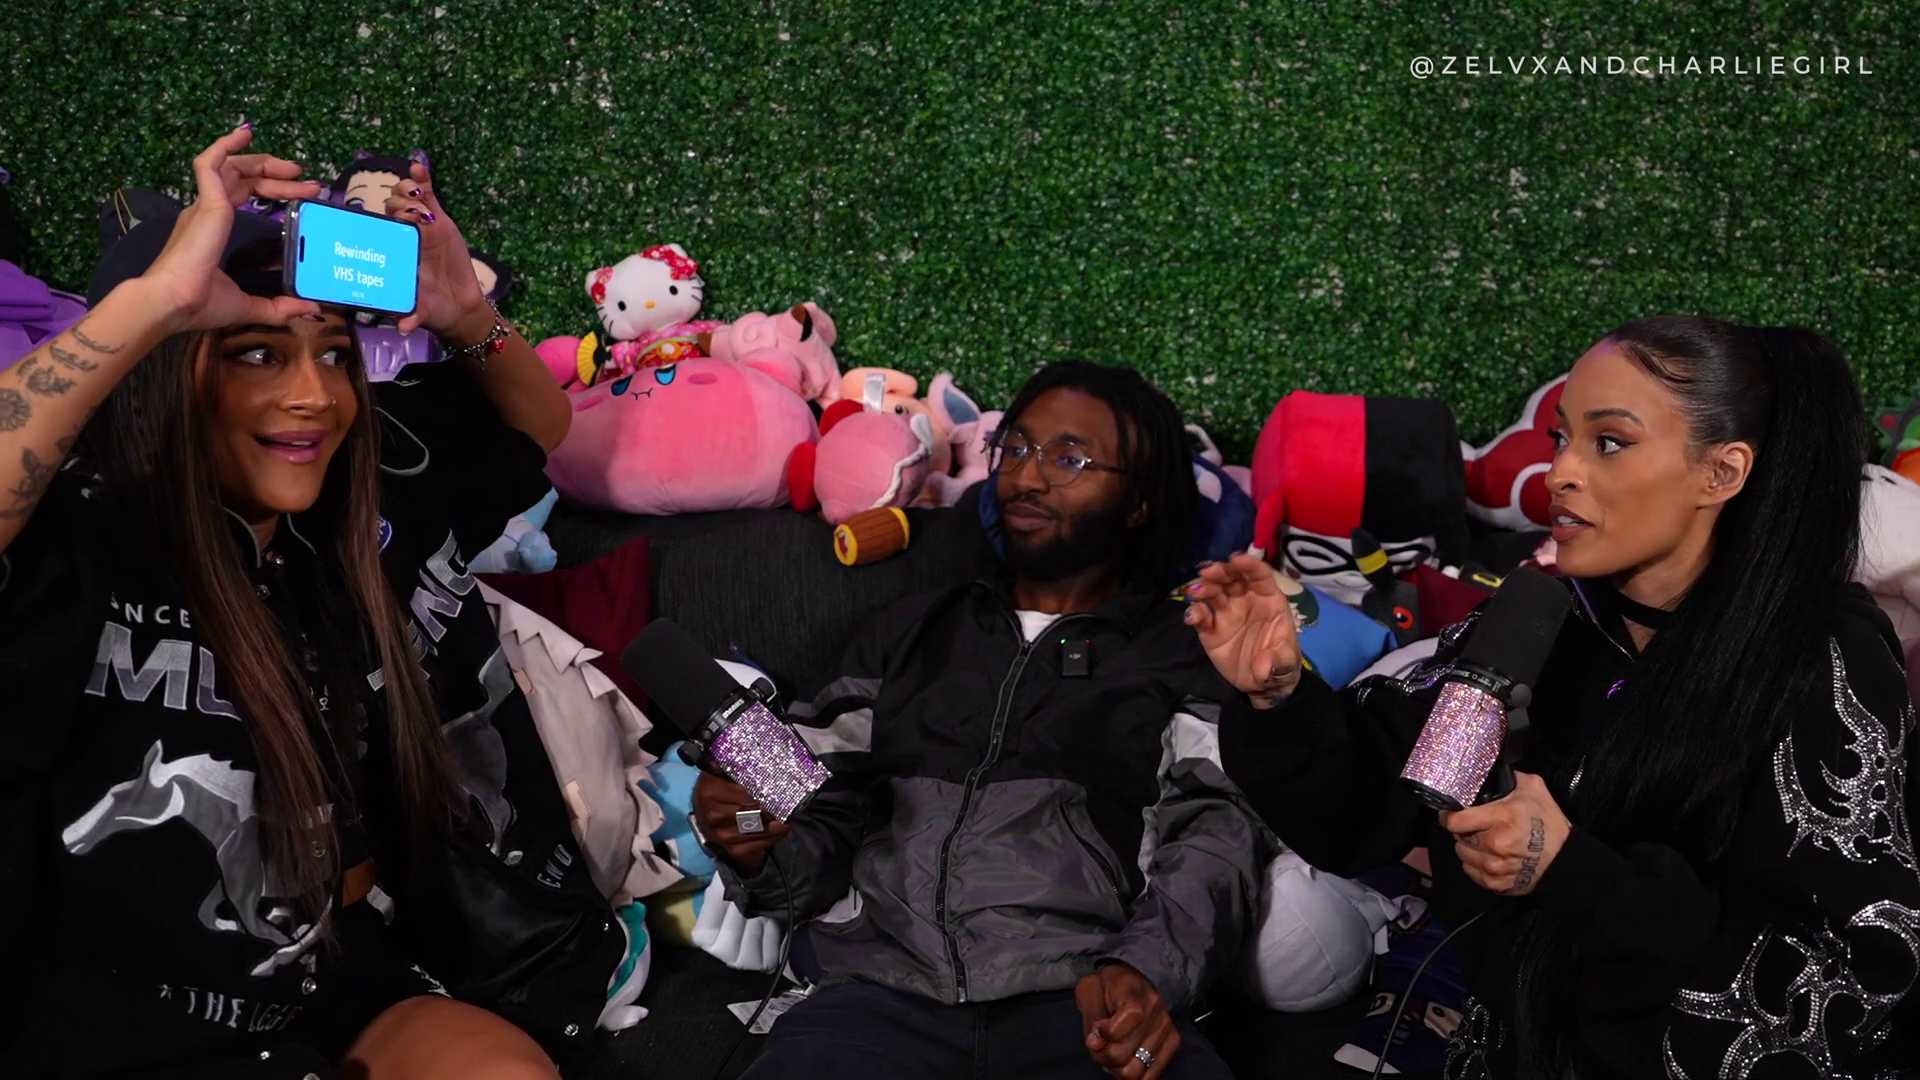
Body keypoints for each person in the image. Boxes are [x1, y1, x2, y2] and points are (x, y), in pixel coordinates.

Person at [0, 127, 603, 1079]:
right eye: (255, 354)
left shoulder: (362, 499)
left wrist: (463, 314)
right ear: (159, 371)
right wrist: (155, 303)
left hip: (333, 986)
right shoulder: (76, 540)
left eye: (333, 353)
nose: (316, 396)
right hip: (111, 1030)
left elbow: (539, 422)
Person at [1189, 316, 1920, 1078]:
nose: (1560, 474)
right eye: (1560, 439)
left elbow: (1844, 986)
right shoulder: (1538, 621)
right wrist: (1280, 694)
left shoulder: (1822, 660)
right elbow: (1377, 803)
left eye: (1610, 443)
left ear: (1722, 473)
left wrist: (1574, 870)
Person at [690, 361, 1268, 1080]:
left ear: (1139, 501)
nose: (1026, 478)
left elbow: (1218, 835)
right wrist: (749, 842)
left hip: (1087, 1000)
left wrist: (1147, 973)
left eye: (1068, 459)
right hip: (877, 999)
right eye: (1015, 448)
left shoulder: (1182, 654)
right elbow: (808, 833)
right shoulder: (907, 630)